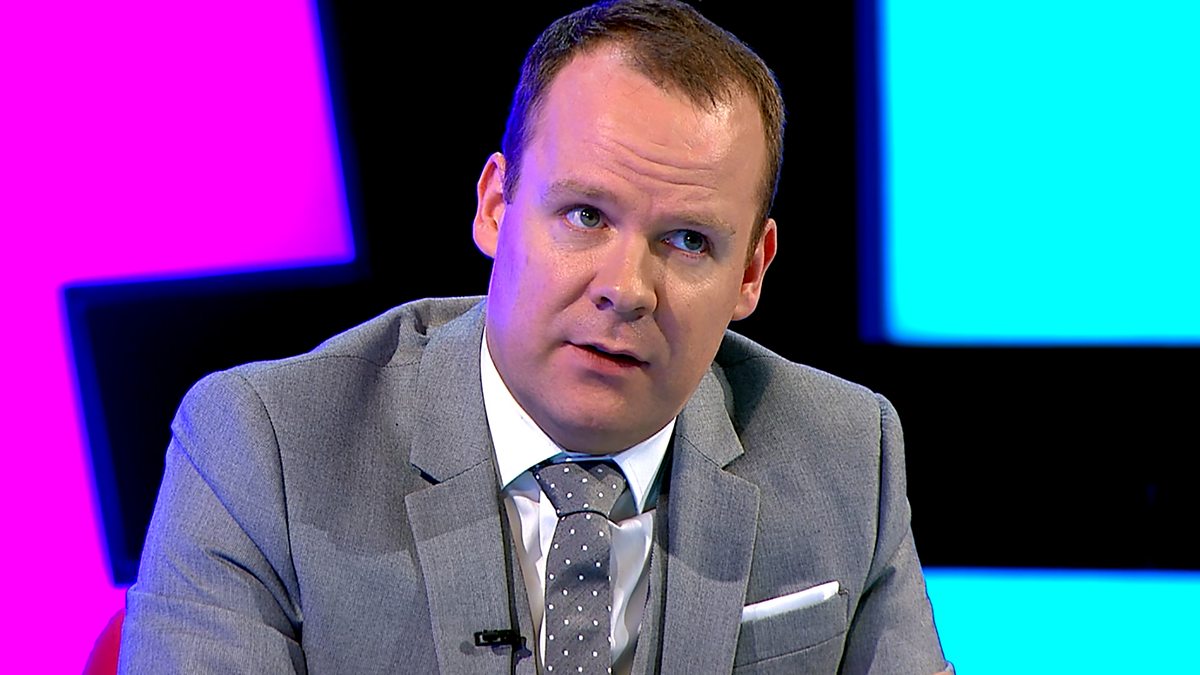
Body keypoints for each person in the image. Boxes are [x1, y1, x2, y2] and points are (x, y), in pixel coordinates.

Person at [119, 1, 950, 673]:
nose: (626, 288)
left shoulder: (847, 454)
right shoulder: (265, 447)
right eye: (585, 215)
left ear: (751, 272)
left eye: (689, 240)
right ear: (495, 206)